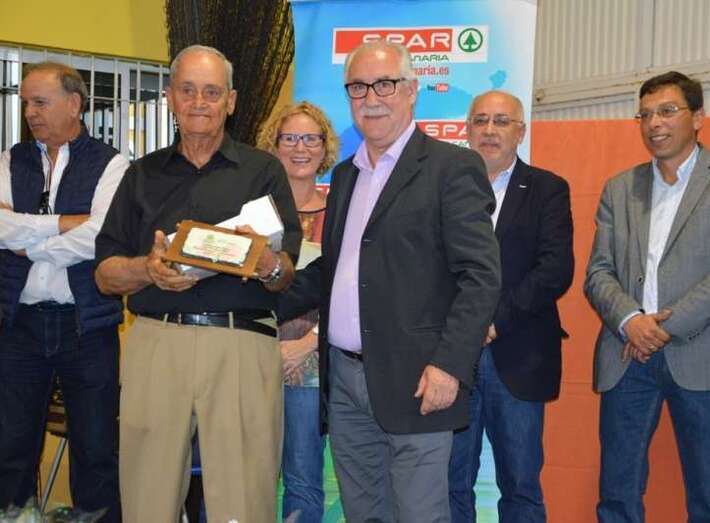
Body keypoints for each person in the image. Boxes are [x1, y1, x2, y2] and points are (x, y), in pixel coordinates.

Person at [279, 40, 501, 522]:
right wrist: (259, 287)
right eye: (358, 87)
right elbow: (335, 270)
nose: (371, 98)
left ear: (412, 90)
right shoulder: (345, 176)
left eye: (385, 84)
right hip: (344, 381)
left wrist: (449, 366)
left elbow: (481, 276)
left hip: (419, 380)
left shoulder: (451, 167)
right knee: (363, 513)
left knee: (419, 513)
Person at [94, 45, 301, 522]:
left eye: (211, 92)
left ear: (231, 101)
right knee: (147, 494)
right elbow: (104, 274)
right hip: (156, 341)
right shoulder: (141, 174)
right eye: (187, 90)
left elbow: (285, 274)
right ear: (170, 97)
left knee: (244, 496)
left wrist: (266, 262)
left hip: (240, 343)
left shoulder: (263, 171)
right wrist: (148, 270)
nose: (199, 102)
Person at [585, 71, 710, 523]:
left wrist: (661, 327)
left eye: (667, 111)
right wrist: (631, 320)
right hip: (627, 354)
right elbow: (598, 271)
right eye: (644, 115)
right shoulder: (619, 188)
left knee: (708, 496)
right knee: (617, 494)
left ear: (698, 117)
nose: (654, 123)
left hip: (705, 354)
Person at [0, 62, 127, 521]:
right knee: (10, 446)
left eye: (40, 102)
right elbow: (0, 227)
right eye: (26, 103)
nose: (30, 113)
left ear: (74, 104)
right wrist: (63, 224)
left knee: (95, 448)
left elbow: (101, 237)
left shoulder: (112, 164)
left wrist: (30, 242)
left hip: (86, 326)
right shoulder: (10, 159)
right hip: (18, 325)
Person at [448, 90, 574, 523]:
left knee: (520, 485)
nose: (489, 130)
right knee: (450, 482)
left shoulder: (547, 189)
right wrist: (465, 325)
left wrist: (493, 322)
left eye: (501, 121)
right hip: (452, 358)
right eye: (480, 120)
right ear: (467, 131)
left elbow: (554, 270)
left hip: (519, 355)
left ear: (520, 132)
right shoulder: (445, 188)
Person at [259, 101, 338, 522]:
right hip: (252, 356)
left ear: (325, 148)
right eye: (289, 138)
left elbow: (350, 289)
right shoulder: (252, 214)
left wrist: (308, 344)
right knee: (244, 475)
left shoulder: (341, 212)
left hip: (312, 363)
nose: (300, 148)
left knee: (304, 479)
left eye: (311, 138)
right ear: (273, 146)